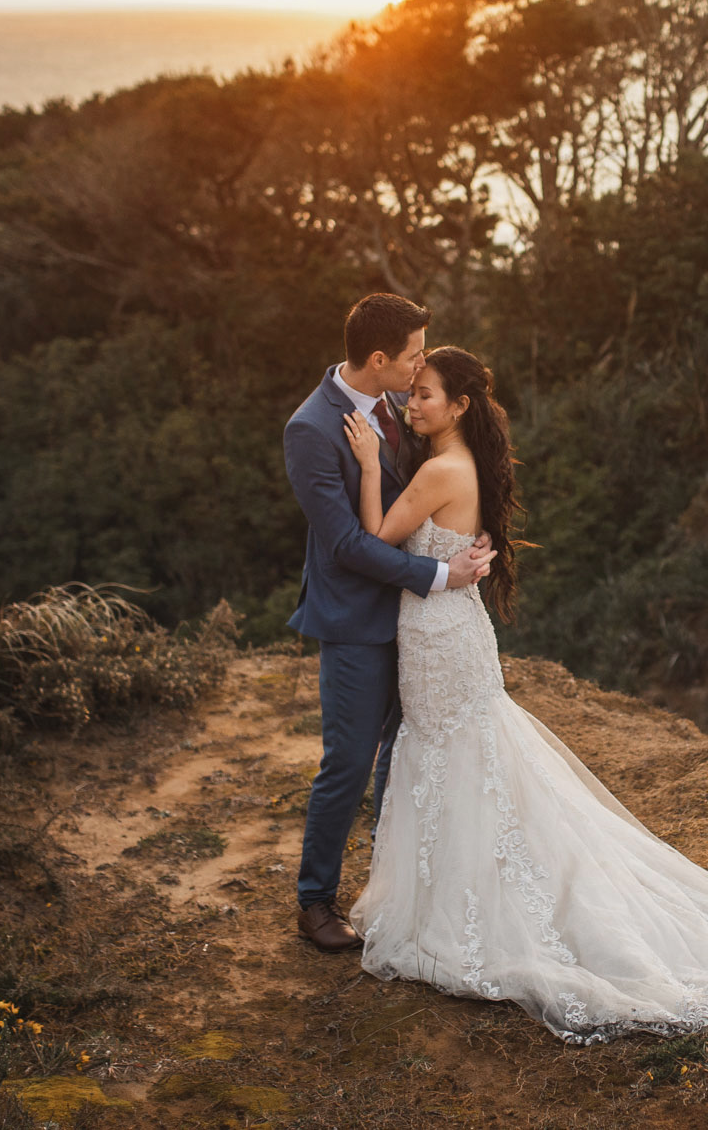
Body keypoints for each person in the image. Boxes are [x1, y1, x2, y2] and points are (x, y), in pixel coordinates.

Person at [337, 345, 708, 1044]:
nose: (411, 404)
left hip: (441, 638)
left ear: (459, 406)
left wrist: (364, 466)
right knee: (466, 763)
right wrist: (445, 568)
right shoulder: (459, 464)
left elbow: (370, 538)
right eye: (410, 392)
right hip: (447, 630)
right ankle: (462, 901)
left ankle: (474, 911)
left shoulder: (442, 468)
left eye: (424, 394)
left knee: (459, 760)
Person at [282, 295, 494, 952]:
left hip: (419, 629)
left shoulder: (400, 408)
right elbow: (347, 542)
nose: (420, 363)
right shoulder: (311, 428)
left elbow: (424, 495)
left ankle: (402, 888)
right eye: (412, 355)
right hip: (357, 620)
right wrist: (438, 576)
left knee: (408, 760)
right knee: (348, 761)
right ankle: (315, 902)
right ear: (380, 360)